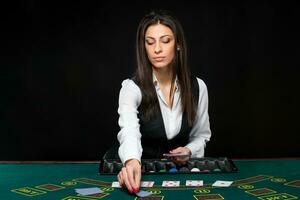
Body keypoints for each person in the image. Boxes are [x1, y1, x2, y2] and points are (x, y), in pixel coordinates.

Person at [116, 10, 211, 193]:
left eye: (165, 41)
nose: (157, 49)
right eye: (150, 42)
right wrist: (131, 161)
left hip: (179, 175)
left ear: (178, 44)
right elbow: (129, 131)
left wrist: (189, 150)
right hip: (143, 172)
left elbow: (201, 136)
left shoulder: (198, 87)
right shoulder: (131, 88)